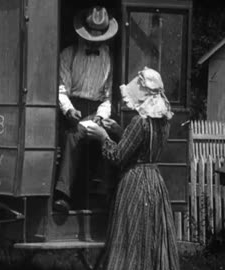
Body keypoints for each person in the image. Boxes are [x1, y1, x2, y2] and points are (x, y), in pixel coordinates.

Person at [86, 67, 179, 270]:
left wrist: (103, 136)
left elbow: (118, 156)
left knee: (132, 236)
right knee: (150, 236)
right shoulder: (163, 122)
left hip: (135, 184)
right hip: (154, 181)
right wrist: (120, 131)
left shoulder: (140, 121)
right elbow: (144, 146)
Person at [54, 6, 118, 212]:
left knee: (109, 137)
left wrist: (101, 117)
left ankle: (103, 195)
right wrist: (69, 111)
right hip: (73, 111)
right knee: (74, 135)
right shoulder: (68, 54)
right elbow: (61, 89)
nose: (95, 42)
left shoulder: (108, 58)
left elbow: (108, 97)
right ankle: (63, 195)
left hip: (96, 111)